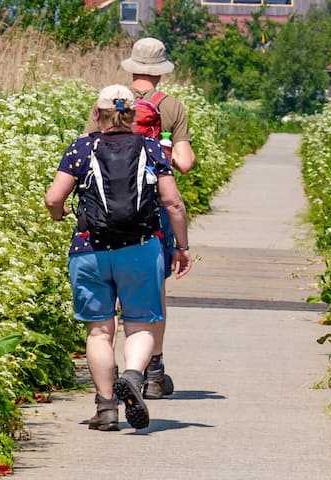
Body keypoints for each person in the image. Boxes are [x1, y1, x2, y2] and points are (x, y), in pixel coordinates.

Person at [46, 85, 193, 431]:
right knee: (140, 323)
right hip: (141, 249)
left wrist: (60, 213)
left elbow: (54, 198)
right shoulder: (154, 148)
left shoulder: (81, 148)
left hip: (89, 250)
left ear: (97, 115)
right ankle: (132, 374)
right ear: (134, 117)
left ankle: (107, 407)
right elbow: (173, 203)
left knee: (99, 331)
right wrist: (182, 248)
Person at [91, 37, 196, 399]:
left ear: (132, 66)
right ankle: (152, 370)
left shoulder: (108, 101)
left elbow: (89, 148)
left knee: (107, 290)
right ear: (162, 72)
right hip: (151, 210)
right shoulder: (172, 107)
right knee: (152, 290)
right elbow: (185, 162)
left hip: (103, 213)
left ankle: (109, 373)